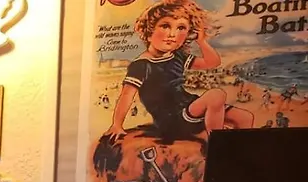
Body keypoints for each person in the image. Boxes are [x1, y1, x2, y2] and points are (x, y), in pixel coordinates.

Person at [104, 0, 253, 143]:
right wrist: (117, 124)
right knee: (216, 95)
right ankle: (216, 144)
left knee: (245, 117)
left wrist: (202, 42)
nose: (172, 34)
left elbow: (212, 62)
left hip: (189, 106)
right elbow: (126, 96)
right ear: (149, 32)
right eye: (165, 26)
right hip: (173, 119)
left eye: (181, 28)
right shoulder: (142, 65)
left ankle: (237, 154)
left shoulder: (177, 56)